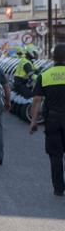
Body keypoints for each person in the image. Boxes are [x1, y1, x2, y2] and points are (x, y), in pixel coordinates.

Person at [30, 44, 65, 196]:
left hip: (53, 119)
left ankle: (58, 188)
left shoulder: (45, 75)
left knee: (55, 154)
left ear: (53, 58)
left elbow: (37, 100)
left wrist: (33, 121)